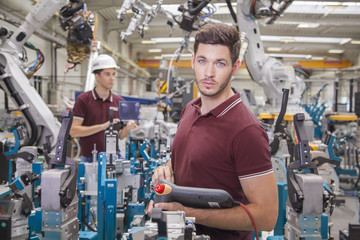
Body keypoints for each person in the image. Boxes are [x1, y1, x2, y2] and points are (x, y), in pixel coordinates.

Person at [149, 23, 278, 240]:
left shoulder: (246, 131)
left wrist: (190, 215)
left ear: (235, 67)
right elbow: (190, 159)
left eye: (220, 63)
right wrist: (166, 170)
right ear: (192, 61)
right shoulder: (190, 109)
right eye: (202, 61)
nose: (208, 73)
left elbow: (266, 216)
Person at [70, 54, 137, 162]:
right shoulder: (83, 100)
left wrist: (127, 129)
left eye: (113, 74)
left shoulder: (119, 102)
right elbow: (74, 131)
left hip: (114, 157)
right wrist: (103, 126)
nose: (112, 78)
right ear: (97, 76)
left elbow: (120, 136)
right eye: (107, 74)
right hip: (89, 159)